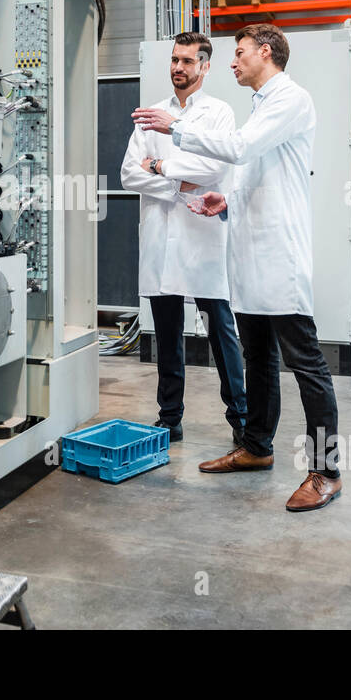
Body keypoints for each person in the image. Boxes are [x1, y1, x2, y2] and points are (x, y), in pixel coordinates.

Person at [131, 23, 342, 513]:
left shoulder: (290, 99)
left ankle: (327, 471)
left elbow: (242, 149)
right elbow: (254, 172)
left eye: (240, 53)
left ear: (265, 53)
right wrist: (224, 199)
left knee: (307, 365)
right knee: (259, 358)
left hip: (278, 255)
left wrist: (175, 128)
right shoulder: (261, 105)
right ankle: (257, 447)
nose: (233, 61)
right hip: (247, 255)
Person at [120, 32, 247, 447]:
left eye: (187, 61)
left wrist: (157, 165)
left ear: (204, 67)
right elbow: (127, 173)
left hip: (202, 239)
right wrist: (177, 183)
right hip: (161, 237)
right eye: (174, 60)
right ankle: (169, 417)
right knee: (167, 334)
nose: (178, 68)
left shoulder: (219, 113)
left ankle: (241, 417)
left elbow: (212, 168)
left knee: (221, 331)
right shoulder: (150, 114)